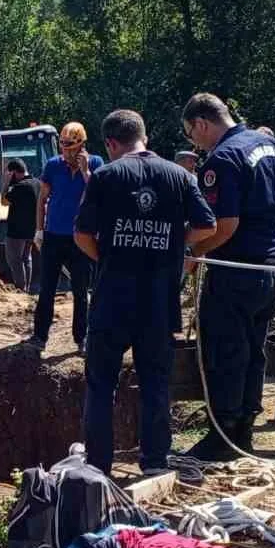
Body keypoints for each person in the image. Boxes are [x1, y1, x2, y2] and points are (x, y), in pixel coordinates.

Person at [75, 110, 215, 474]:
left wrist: (106, 256)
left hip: (112, 298)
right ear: (145, 137)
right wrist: (173, 245)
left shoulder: (105, 175)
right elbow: (206, 226)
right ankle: (154, 461)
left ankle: (98, 467)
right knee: (155, 382)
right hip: (158, 299)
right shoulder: (179, 175)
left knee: (101, 385)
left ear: (110, 144)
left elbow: (81, 235)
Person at [181, 93, 275, 460]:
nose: (195, 143)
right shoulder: (268, 144)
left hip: (235, 270)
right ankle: (244, 431)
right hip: (270, 266)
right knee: (253, 351)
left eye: (192, 135)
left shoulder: (223, 159)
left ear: (201, 123)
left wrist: (193, 253)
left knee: (225, 351)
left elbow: (224, 226)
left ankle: (222, 436)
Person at [31, 121, 103, 352]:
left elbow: (100, 195)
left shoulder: (96, 163)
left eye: (71, 147)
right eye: (63, 147)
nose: (67, 152)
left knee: (81, 291)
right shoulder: (53, 166)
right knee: (47, 289)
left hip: (80, 237)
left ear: (82, 145)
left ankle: (81, 338)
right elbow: (42, 199)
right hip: (54, 236)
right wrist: (39, 230)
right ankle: (39, 336)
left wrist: (85, 173)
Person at [2, 159, 40, 293]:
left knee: (14, 260)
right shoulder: (37, 183)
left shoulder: (20, 187)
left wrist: (6, 184)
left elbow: (3, 202)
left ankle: (21, 289)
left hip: (17, 231)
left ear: (13, 173)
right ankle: (27, 288)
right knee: (26, 258)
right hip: (32, 229)